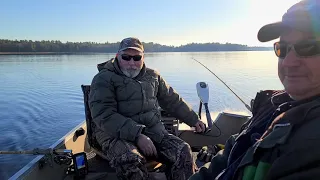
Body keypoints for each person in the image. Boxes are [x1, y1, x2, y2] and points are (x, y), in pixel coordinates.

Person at [189, 0, 320, 179]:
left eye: (308, 47)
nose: (288, 62)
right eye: (282, 49)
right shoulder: (272, 106)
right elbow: (227, 159)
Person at [89, 37, 206, 180]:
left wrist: (194, 120)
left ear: (143, 58)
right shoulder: (103, 78)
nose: (131, 63)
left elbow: (172, 100)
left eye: (137, 58)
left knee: (183, 151)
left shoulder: (153, 76)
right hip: (114, 134)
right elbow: (104, 115)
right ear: (117, 56)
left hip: (153, 131)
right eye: (126, 57)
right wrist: (138, 135)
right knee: (131, 160)